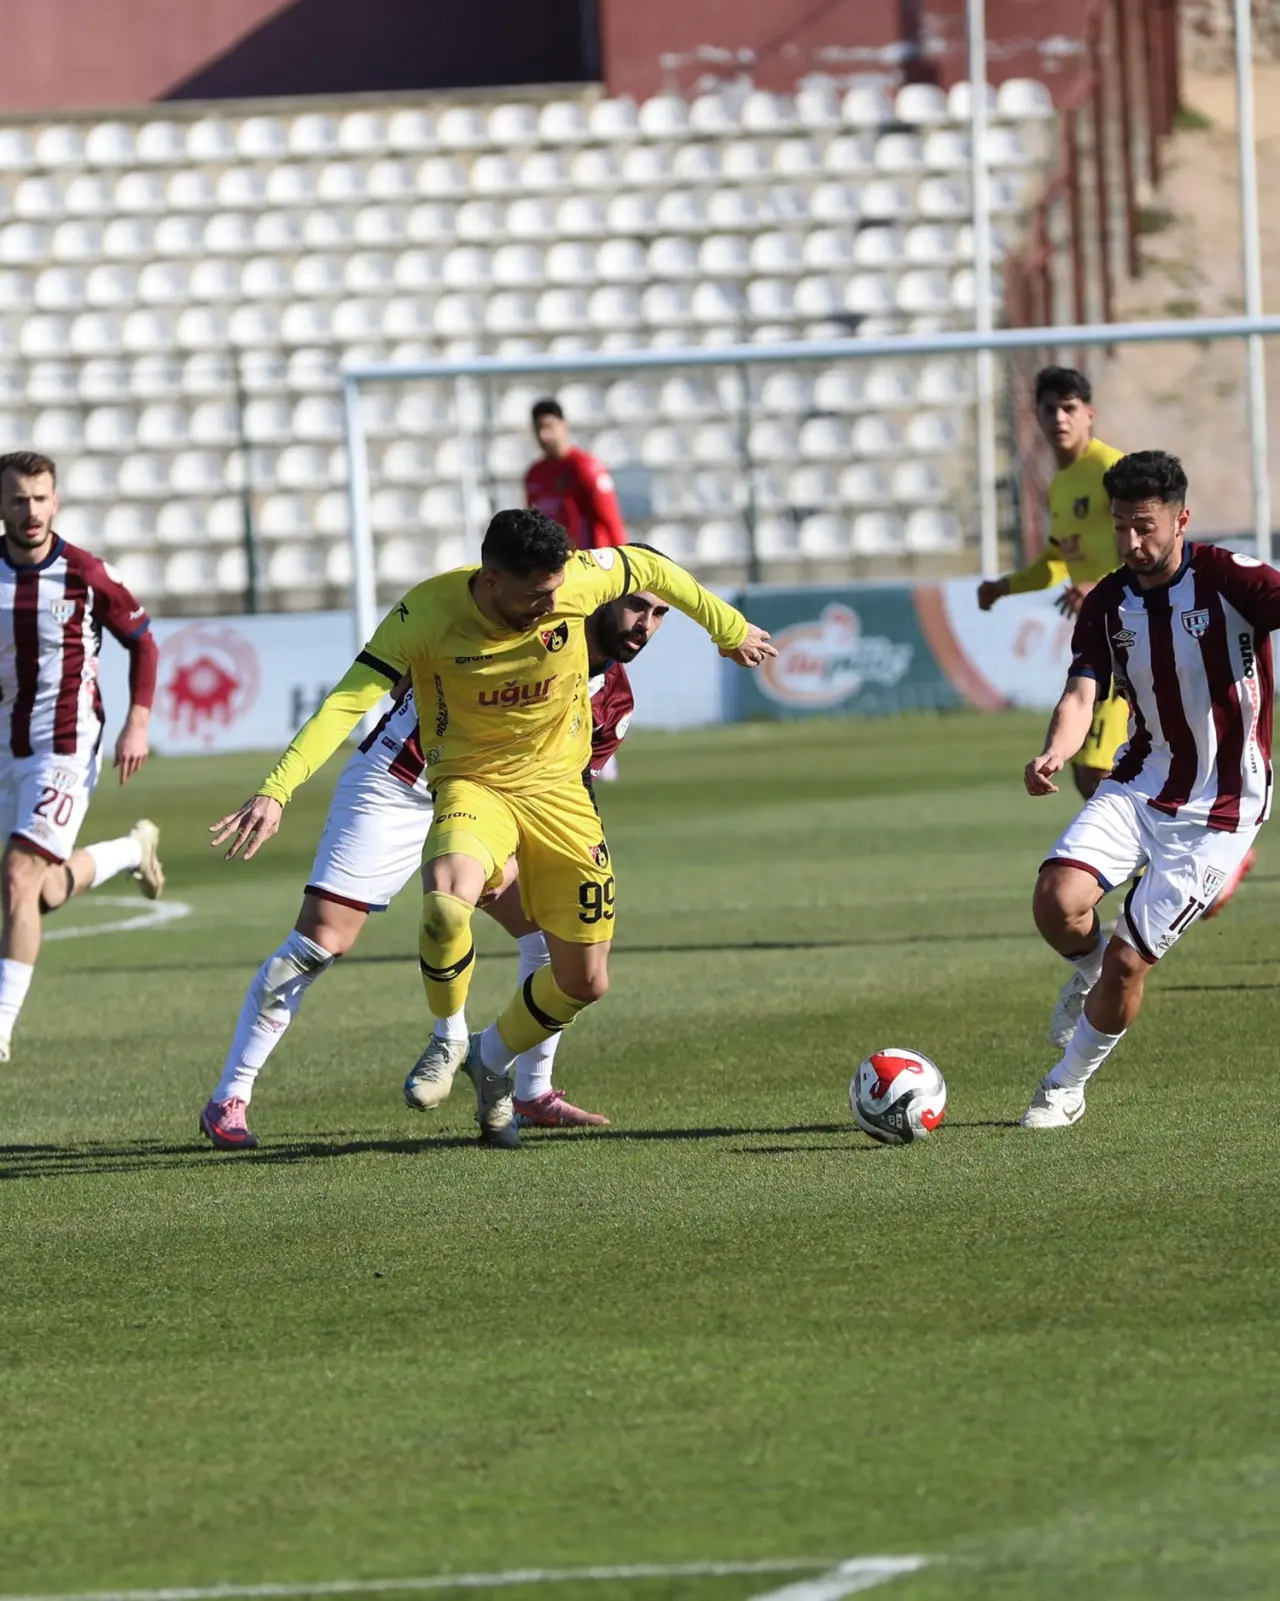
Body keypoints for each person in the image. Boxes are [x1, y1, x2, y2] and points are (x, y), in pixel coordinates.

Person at [210, 512, 773, 1149]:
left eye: (658, 614)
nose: (646, 625)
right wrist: (278, 788)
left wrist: (728, 630)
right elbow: (349, 701)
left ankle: (527, 1087)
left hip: (508, 805)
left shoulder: (611, 694)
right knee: (320, 942)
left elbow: (655, 575)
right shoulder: (437, 612)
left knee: (550, 939)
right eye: (636, 608)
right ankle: (233, 1093)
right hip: (402, 783)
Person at [1020, 450, 1280, 1129]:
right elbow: (1081, 692)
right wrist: (1056, 750)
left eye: (1145, 527)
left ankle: (1065, 1085)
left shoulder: (1230, 578)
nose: (1132, 542)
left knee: (1130, 962)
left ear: (1180, 520)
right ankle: (1089, 973)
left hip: (1221, 807)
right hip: (1140, 780)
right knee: (1056, 901)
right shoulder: (1108, 602)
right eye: (1121, 527)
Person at [0, 451, 164, 1061]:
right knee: (38, 893)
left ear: (56, 501)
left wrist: (137, 722)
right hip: (7, 747)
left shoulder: (86, 574)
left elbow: (144, 644)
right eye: (19, 499)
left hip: (66, 745)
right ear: (1, 506)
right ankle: (132, 851)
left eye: (41, 498)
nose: (31, 510)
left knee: (17, 877)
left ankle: (0, 1026)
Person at [977, 367, 1127, 802]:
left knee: (1095, 769)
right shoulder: (1061, 485)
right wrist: (1005, 586)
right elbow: (1057, 561)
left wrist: (1098, 586)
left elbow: (1150, 546)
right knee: (1094, 770)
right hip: (1100, 634)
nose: (1059, 418)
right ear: (1037, 416)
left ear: (1089, 414)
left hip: (1132, 628)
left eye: (1069, 408)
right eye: (1049, 409)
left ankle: (1167, 842)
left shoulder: (1112, 469)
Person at [525, 398, 628, 551]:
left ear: (564, 426)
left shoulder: (586, 466)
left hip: (589, 558)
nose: (543, 435)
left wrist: (624, 558)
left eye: (548, 427)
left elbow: (611, 520)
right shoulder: (534, 475)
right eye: (538, 429)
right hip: (556, 560)